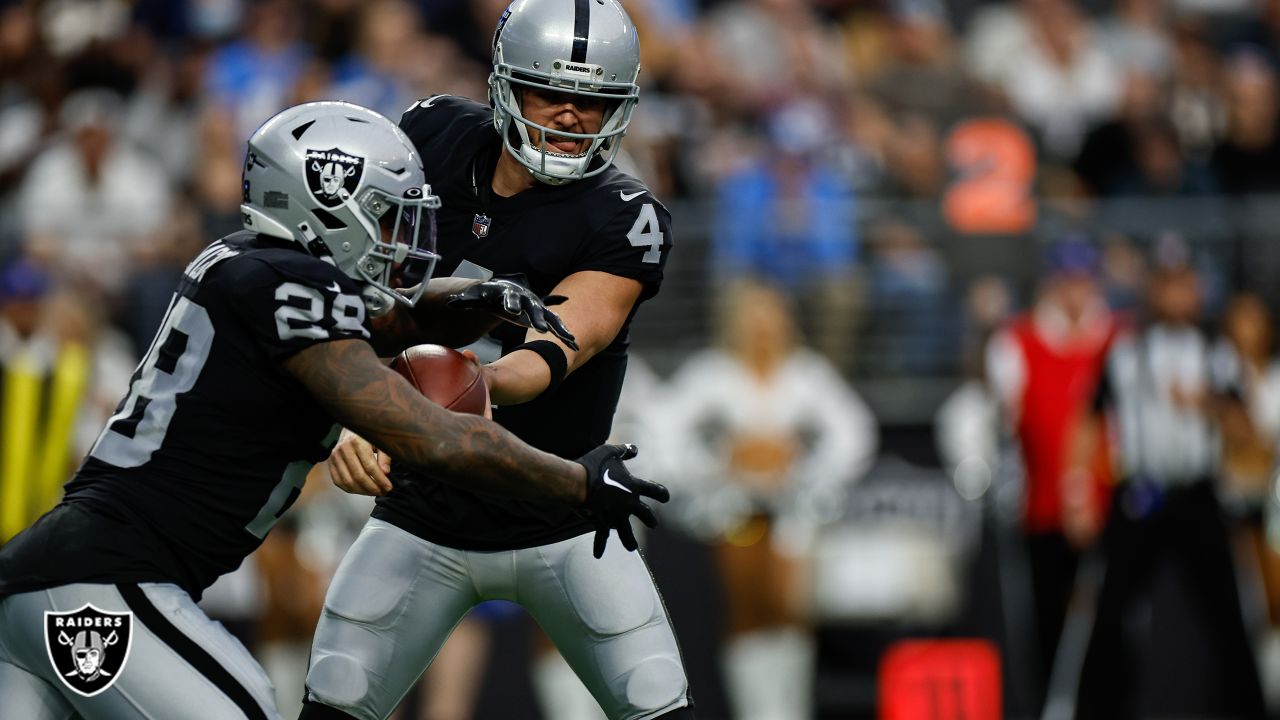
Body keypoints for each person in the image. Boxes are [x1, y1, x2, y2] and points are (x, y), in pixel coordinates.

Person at [0, 100, 667, 720]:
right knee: (252, 708)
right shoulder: (291, 286)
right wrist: (581, 482)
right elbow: (436, 438)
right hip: (104, 581)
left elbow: (394, 318)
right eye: (385, 215)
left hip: (58, 576)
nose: (400, 237)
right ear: (325, 204)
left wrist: (478, 297)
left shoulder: (246, 262)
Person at [301, 1, 692, 718]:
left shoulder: (623, 213)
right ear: (504, 84)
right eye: (554, 92)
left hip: (563, 511)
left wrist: (409, 404)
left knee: (655, 703)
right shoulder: (432, 136)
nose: (573, 116)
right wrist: (362, 409)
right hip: (421, 513)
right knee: (336, 700)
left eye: (595, 100)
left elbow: (561, 345)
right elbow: (354, 289)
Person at [662, 280, 877, 720]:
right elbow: (664, 433)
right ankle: (756, 710)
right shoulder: (712, 373)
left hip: (793, 516)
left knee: (792, 616)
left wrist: (800, 463)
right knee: (747, 614)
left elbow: (855, 432)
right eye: (753, 317)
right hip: (736, 516)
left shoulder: (806, 374)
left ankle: (790, 708)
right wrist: (720, 462)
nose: (762, 328)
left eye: (771, 315)